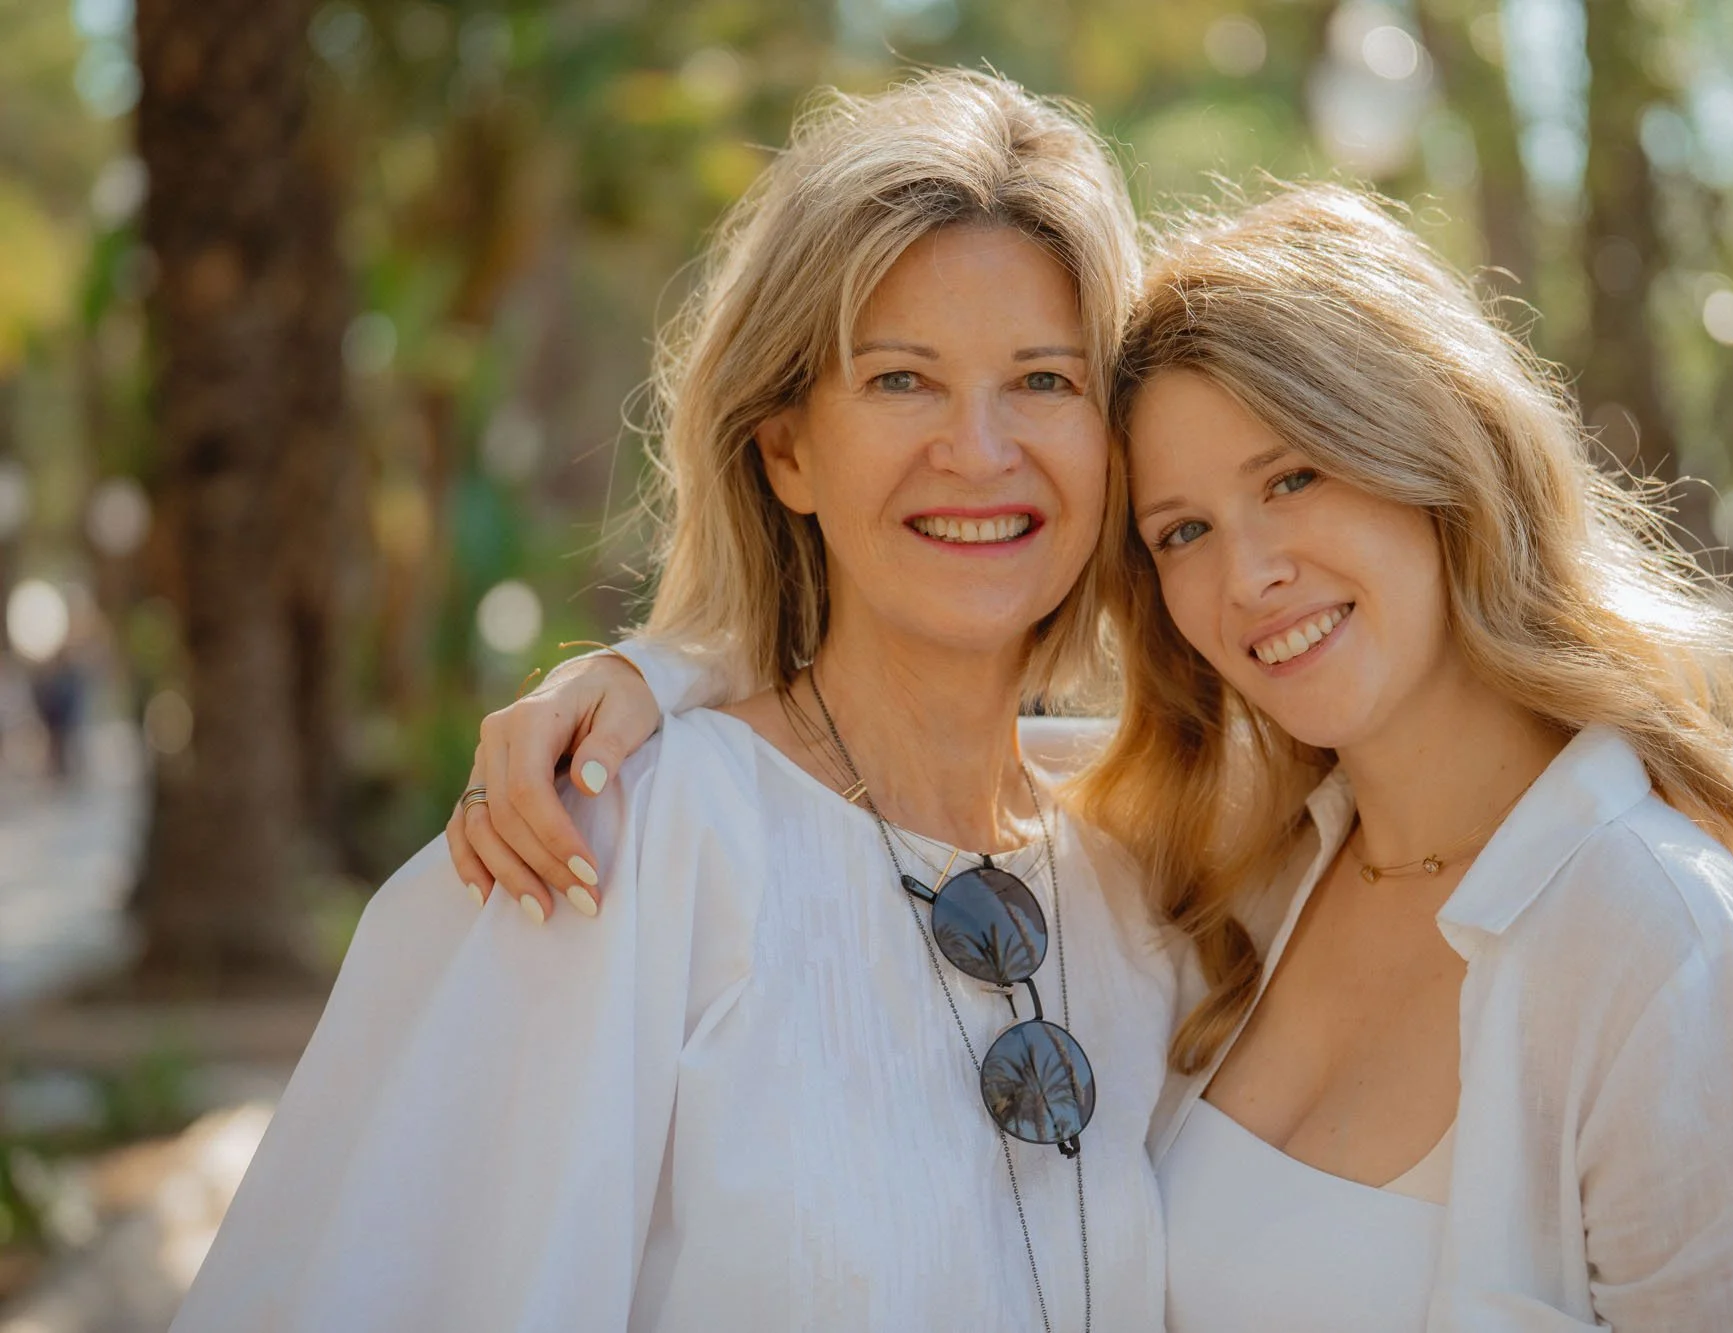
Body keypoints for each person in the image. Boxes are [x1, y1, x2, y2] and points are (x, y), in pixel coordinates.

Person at [460, 184, 1733, 1328]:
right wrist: (653, 674)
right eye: (1183, 531)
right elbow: (908, 761)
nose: (1252, 572)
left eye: (1295, 476)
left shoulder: (1652, 934)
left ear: (1446, 468)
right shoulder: (1242, 867)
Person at [174, 71, 1180, 1333]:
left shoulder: (1154, 875)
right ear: (787, 449)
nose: (979, 450)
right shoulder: (623, 839)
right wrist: (665, 673)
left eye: (1044, 380)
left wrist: (662, 666)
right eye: (900, 380)